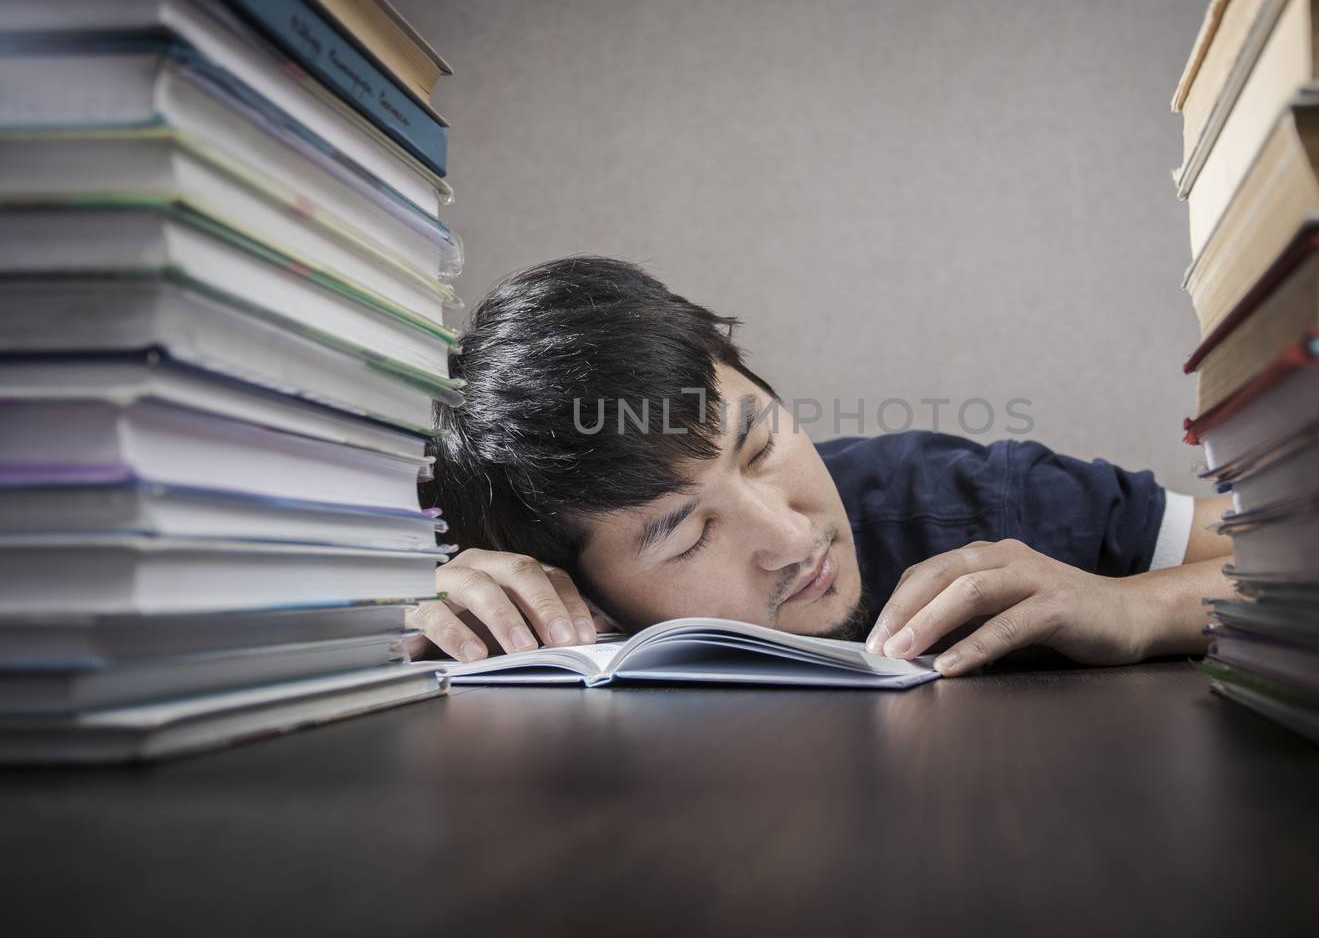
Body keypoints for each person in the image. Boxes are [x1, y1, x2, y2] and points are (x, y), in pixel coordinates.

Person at [409, 256, 1235, 676]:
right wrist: (404, 619)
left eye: (762, 445)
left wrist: (1132, 608)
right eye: (688, 532)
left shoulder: (969, 499)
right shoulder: (532, 608)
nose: (791, 532)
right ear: (583, 591)